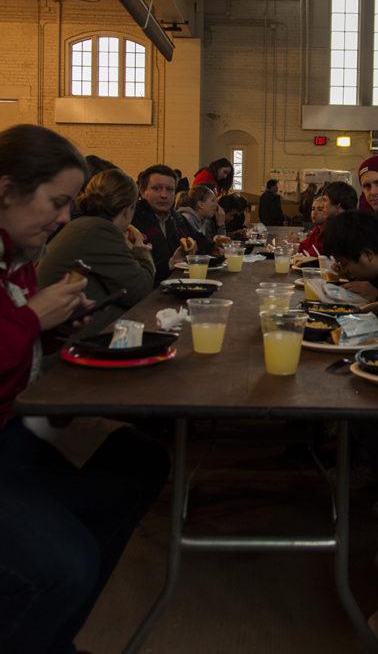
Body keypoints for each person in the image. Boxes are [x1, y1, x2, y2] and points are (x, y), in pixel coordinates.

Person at [0, 124, 169, 653]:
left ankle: (49, 634)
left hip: (17, 426)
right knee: (63, 563)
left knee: (137, 459)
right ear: (6, 190)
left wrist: (50, 329)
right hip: (10, 433)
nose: (65, 217)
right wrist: (30, 321)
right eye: (57, 201)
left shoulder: (17, 256)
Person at [38, 168, 155, 337]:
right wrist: (141, 250)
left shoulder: (87, 225)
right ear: (127, 209)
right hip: (65, 349)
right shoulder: (98, 230)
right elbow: (140, 290)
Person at [132, 164, 209, 284]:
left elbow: (201, 243)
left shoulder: (177, 218)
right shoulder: (132, 220)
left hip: (179, 286)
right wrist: (171, 263)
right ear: (142, 191)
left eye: (170, 189)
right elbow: (133, 273)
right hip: (147, 294)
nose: (164, 195)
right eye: (156, 188)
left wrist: (214, 246)